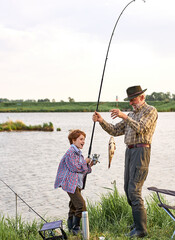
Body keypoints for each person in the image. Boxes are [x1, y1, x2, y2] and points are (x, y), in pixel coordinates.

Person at [92, 85, 158, 238]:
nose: (131, 103)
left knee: (134, 190)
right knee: (128, 190)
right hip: (130, 151)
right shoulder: (131, 114)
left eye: (133, 100)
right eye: (129, 100)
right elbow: (114, 130)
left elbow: (142, 128)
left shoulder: (150, 111)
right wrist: (101, 120)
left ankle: (141, 230)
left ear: (142, 97)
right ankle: (137, 223)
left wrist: (124, 116)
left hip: (141, 151)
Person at [54, 129, 93, 235]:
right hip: (70, 184)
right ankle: (76, 228)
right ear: (73, 140)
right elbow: (75, 167)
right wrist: (85, 162)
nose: (83, 141)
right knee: (81, 205)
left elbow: (83, 169)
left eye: (84, 139)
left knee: (73, 206)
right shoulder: (71, 152)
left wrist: (90, 164)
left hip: (77, 184)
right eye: (81, 139)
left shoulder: (78, 153)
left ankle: (71, 229)